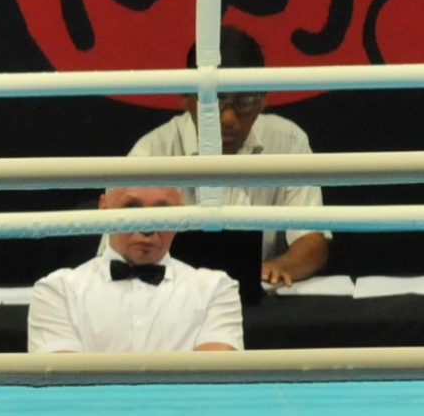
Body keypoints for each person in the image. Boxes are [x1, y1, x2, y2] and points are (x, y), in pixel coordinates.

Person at [127, 27, 332, 287]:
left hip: (256, 296)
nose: (228, 118)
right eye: (214, 101)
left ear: (263, 99)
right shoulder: (150, 153)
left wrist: (277, 267)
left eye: (244, 102)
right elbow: (115, 254)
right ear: (185, 97)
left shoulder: (289, 142)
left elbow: (312, 243)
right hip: (169, 296)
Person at [30, 186, 244, 353]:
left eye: (163, 211)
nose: (146, 227)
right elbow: (64, 386)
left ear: (181, 214)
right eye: (132, 208)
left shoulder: (215, 288)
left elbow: (214, 382)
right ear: (104, 208)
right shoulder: (57, 290)